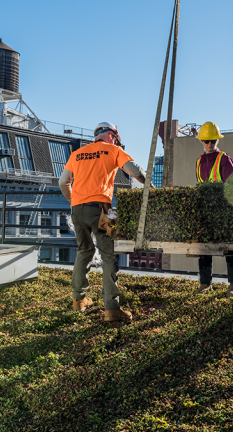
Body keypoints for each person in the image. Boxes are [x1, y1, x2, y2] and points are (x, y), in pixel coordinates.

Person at [59, 122, 152, 322]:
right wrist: (150, 185)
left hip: (77, 209)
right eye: (116, 138)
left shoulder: (78, 153)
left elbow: (62, 182)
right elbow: (135, 172)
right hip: (101, 209)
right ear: (111, 135)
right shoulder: (113, 150)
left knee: (84, 251)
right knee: (109, 256)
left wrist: (74, 200)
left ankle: (78, 300)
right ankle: (111, 308)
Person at [194, 121, 233, 297]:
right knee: (204, 248)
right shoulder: (198, 162)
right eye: (207, 141)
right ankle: (205, 284)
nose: (210, 144)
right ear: (201, 141)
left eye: (213, 141)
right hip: (206, 211)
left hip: (224, 211)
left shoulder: (224, 159)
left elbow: (232, 186)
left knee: (230, 247)